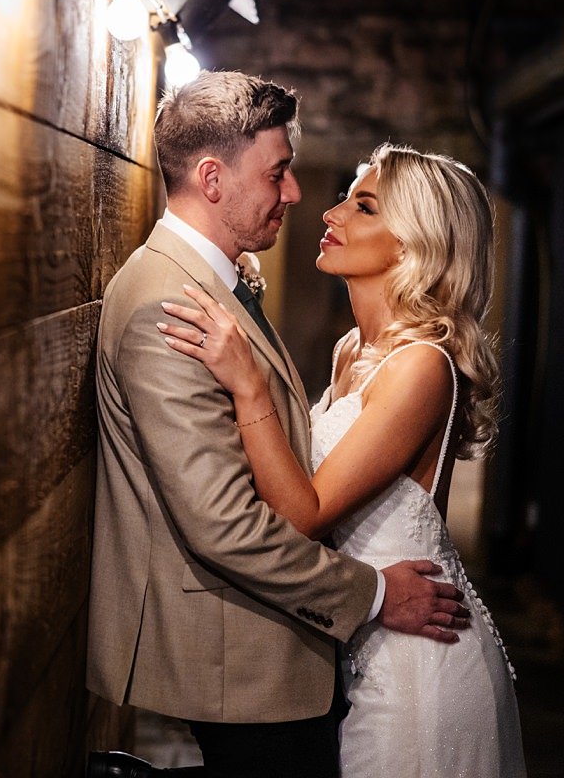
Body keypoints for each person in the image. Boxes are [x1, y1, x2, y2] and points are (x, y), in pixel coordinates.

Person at [86, 71, 470, 778]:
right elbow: (226, 524)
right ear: (211, 178)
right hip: (241, 650)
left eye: (361, 203)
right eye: (280, 172)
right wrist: (376, 593)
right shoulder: (165, 306)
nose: (299, 197)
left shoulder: (218, 285)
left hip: (300, 639)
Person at [160, 143, 526, 776]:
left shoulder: (421, 368)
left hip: (420, 666)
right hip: (360, 645)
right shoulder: (352, 350)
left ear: (416, 243)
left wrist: (247, 382)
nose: (330, 213)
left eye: (362, 205)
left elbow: (307, 511)